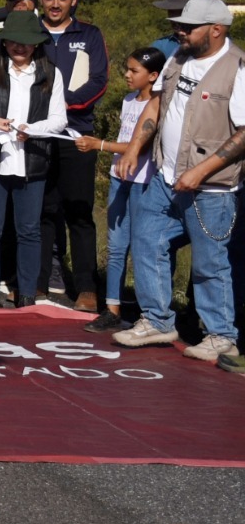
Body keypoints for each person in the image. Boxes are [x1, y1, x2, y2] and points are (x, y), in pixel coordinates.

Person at [114, 0, 243, 364]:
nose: (180, 32)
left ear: (216, 30)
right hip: (164, 176)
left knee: (209, 263)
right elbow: (156, 103)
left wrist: (200, 172)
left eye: (189, 27)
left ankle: (221, 336)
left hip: (211, 188)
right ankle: (157, 320)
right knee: (147, 243)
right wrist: (134, 148)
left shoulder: (237, 68)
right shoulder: (178, 58)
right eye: (180, 26)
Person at [0, 10, 66, 308]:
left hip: (32, 158)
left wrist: (33, 130)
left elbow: (59, 119)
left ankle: (26, 295)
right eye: (13, 41)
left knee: (29, 230)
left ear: (36, 44)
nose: (19, 48)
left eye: (26, 42)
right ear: (5, 41)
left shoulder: (51, 72)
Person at [35, 0, 108, 310]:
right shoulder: (30, 33)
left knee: (79, 212)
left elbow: (99, 82)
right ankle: (36, 285)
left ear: (73, 0)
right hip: (38, 134)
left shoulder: (89, 34)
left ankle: (86, 288)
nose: (55, 4)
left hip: (78, 134)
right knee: (43, 211)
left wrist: (61, 107)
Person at [78, 47, 165, 332]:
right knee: (116, 247)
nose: (127, 75)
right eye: (126, 69)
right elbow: (124, 139)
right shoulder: (129, 100)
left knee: (142, 248)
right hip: (119, 179)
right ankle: (112, 307)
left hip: (143, 183)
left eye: (134, 71)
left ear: (153, 76)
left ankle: (149, 311)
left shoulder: (157, 105)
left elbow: (137, 147)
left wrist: (98, 145)